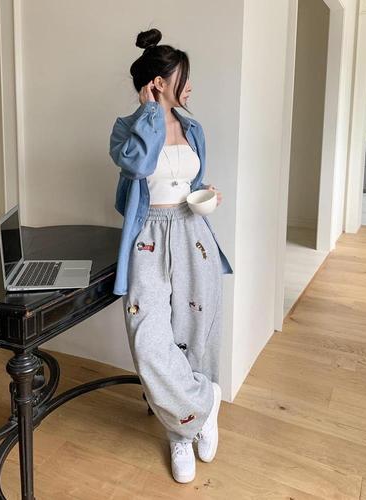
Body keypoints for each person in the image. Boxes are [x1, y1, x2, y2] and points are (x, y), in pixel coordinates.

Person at [108, 27, 233, 484]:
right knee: (150, 340)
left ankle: (183, 431)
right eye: (183, 77)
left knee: (196, 332)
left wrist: (206, 193)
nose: (190, 86)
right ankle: (202, 407)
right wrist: (148, 112)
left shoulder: (194, 128)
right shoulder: (126, 128)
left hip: (192, 231)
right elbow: (138, 166)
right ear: (160, 82)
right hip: (149, 237)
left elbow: (189, 183)